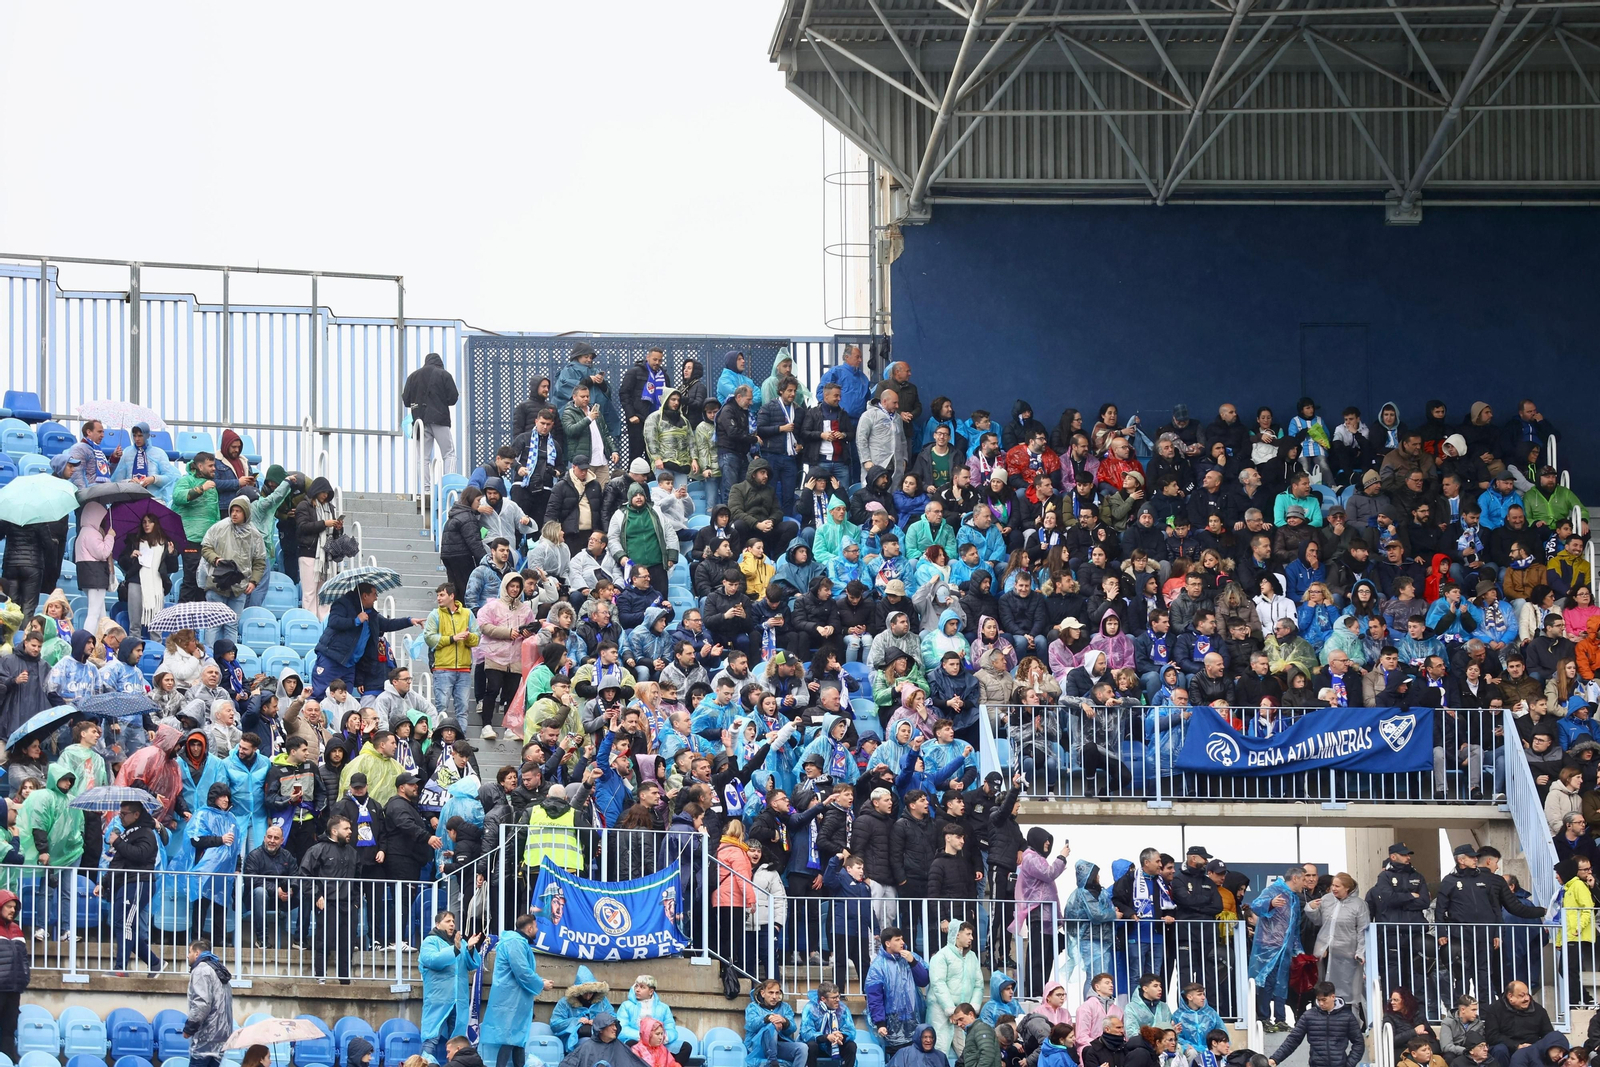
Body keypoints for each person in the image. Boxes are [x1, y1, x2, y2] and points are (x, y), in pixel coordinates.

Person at [101, 798, 163, 976]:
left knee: (125, 925)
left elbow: (141, 855)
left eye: (124, 814)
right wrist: (104, 882)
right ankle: (154, 962)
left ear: (136, 814)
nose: (120, 817)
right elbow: (117, 862)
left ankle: (121, 968)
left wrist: (118, 843)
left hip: (138, 882)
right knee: (122, 925)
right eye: (119, 814)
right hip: (124, 883)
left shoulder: (146, 833)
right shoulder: (126, 834)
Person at [300, 813, 360, 984]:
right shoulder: (318, 849)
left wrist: (355, 902)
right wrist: (316, 896)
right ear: (334, 830)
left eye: (350, 828)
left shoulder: (353, 853)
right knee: (323, 941)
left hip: (348, 904)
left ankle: (344, 980)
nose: (350, 831)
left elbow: (358, 879)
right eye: (346, 828)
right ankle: (320, 976)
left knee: (347, 944)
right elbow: (304, 875)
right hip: (327, 903)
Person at [419, 911, 485, 1062]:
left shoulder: (460, 942)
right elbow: (432, 960)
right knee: (431, 1038)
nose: (452, 924)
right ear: (437, 924)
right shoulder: (430, 941)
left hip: (459, 1000)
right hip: (438, 999)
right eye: (447, 921)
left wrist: (469, 948)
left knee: (457, 1042)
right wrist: (454, 949)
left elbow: (473, 964)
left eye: (453, 921)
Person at [1305, 873, 1370, 1021]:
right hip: (1325, 953)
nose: (1333, 889)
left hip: (1348, 955)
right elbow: (1317, 920)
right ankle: (1324, 1020)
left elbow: (1363, 931)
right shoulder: (1327, 900)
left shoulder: (1359, 905)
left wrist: (1361, 951)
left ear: (1347, 888)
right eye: (1332, 885)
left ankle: (1350, 1023)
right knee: (1324, 987)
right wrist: (1311, 908)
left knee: (1348, 992)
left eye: (1337, 886)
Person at [866, 925, 931, 1055]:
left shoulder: (913, 957)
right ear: (888, 943)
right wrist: (880, 1023)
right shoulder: (877, 967)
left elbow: (924, 981)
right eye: (897, 940)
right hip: (892, 1023)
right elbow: (874, 998)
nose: (902, 943)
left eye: (902, 939)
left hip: (915, 1018)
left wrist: (913, 963)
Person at [1266, 982, 1362, 1067]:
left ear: (1333, 997)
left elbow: (1359, 1043)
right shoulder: (1309, 1016)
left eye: (1324, 1000)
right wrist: (1275, 1059)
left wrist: (1349, 1064)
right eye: (1318, 1000)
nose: (1321, 1003)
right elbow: (1293, 1040)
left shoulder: (1347, 1017)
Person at [403, 352, 461, 474]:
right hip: (440, 419)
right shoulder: (444, 374)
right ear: (440, 363)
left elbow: (406, 400)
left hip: (420, 421)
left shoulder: (412, 377)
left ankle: (426, 488)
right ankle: (448, 484)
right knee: (449, 453)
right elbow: (453, 398)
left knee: (423, 458)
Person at [182, 937, 235, 1067]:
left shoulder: (201, 970)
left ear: (196, 953)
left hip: (206, 1036)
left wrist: (189, 1028)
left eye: (189, 952)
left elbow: (201, 1004)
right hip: (221, 1036)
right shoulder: (218, 970)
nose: (187, 956)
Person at [747, 977, 808, 1067]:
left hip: (778, 1045)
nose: (774, 997)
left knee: (803, 1048)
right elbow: (751, 1025)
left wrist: (784, 1021)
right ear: (763, 993)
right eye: (771, 993)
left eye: (777, 993)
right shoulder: (753, 1007)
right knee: (771, 1026)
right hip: (758, 1046)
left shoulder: (785, 1007)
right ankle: (773, 1062)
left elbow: (793, 1029)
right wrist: (768, 1018)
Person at [800, 982, 859, 1067]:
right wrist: (826, 1037)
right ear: (823, 999)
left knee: (851, 1046)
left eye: (838, 996)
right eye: (834, 998)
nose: (838, 1000)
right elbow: (806, 1033)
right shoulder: (810, 1008)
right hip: (818, 1045)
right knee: (811, 1046)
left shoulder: (843, 1008)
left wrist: (841, 1035)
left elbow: (850, 1029)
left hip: (836, 1045)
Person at [0, 889, 25, 1062]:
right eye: (8, 906)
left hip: (14, 989)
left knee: (9, 1029)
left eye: (14, 907)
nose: (12, 910)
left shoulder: (17, 929)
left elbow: (23, 958)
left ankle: (7, 1062)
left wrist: (24, 978)